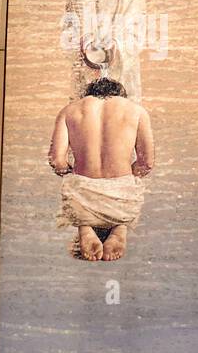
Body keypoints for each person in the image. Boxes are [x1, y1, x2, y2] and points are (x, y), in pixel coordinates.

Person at [48, 77, 154, 262]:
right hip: (122, 196)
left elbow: (57, 161)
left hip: (82, 194)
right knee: (130, 189)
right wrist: (128, 175)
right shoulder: (136, 111)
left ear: (89, 93)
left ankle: (86, 227)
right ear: (120, 94)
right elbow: (146, 163)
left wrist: (71, 173)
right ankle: (119, 229)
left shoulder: (69, 111)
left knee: (74, 187)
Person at [61, 0, 147, 102]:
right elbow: (70, 26)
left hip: (121, 66)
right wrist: (84, 40)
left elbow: (137, 30)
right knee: (87, 111)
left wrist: (115, 44)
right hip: (87, 62)